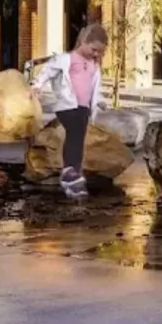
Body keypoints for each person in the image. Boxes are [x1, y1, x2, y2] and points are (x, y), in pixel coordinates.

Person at [31, 24, 108, 199]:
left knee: (79, 138)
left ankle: (75, 171)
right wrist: (37, 85)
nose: (96, 54)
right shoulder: (67, 59)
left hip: (83, 108)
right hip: (66, 105)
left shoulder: (94, 65)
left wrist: (100, 101)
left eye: (99, 52)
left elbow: (95, 88)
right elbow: (48, 71)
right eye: (94, 49)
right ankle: (69, 169)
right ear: (84, 41)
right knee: (74, 132)